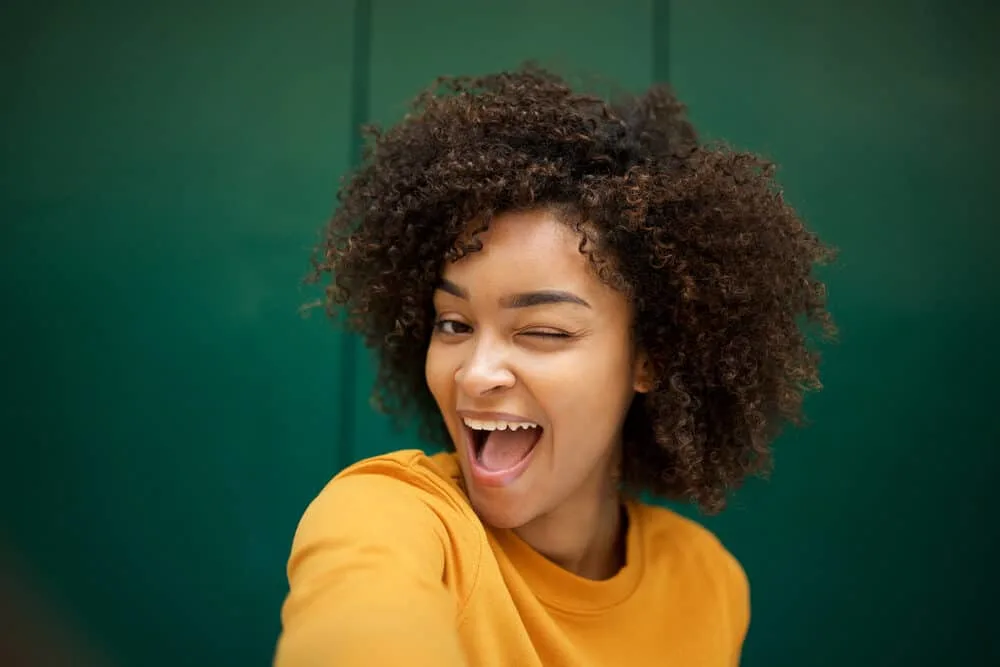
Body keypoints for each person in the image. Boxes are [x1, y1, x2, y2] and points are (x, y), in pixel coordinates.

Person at [273, 65, 834, 666]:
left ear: (650, 357)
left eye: (542, 331)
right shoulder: (386, 518)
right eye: (454, 325)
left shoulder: (706, 581)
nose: (476, 372)